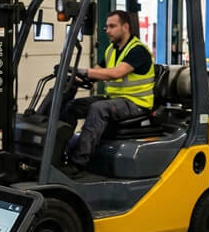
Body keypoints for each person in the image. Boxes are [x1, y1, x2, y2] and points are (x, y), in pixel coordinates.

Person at [61, 10, 155, 173]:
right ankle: (59, 152)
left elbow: (116, 73)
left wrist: (84, 71)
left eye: (112, 26)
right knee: (72, 106)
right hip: (116, 100)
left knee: (98, 108)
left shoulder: (138, 50)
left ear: (125, 27)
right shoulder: (112, 50)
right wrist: (72, 76)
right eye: (106, 27)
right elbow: (97, 71)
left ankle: (78, 163)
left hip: (137, 103)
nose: (108, 31)